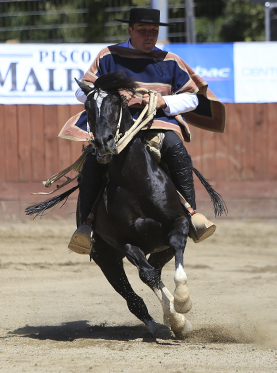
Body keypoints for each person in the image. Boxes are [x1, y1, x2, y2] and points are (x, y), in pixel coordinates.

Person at [63, 7, 226, 254]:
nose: (149, 36)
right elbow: (81, 90)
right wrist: (113, 95)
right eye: (143, 31)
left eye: (154, 31)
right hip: (115, 126)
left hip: (158, 123)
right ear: (130, 30)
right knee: (92, 162)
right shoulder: (108, 56)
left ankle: (192, 215)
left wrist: (164, 102)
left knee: (176, 147)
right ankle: (85, 227)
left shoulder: (170, 60)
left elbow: (193, 99)